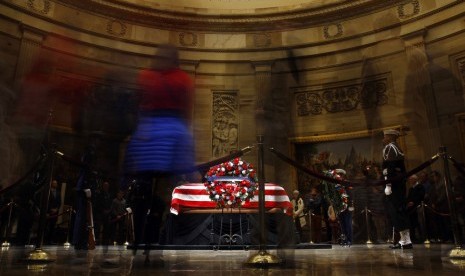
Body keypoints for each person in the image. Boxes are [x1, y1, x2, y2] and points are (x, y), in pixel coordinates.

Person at [123, 44, 195, 254]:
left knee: (142, 193)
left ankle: (138, 240)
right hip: (171, 136)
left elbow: (138, 105)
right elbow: (186, 113)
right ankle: (151, 241)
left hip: (148, 135)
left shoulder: (146, 75)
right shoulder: (182, 79)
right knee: (158, 196)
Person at [382, 129, 412, 249]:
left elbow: (391, 168)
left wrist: (388, 185)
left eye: (385, 136)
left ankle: (406, 241)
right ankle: (404, 240)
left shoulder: (391, 148)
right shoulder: (395, 147)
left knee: (397, 212)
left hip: (394, 186)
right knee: (397, 212)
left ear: (389, 137)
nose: (383, 139)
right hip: (396, 185)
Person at [406, 174, 425, 243]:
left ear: (415, 179)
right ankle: (413, 237)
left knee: (419, 223)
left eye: (411, 179)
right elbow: (409, 197)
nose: (410, 181)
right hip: (411, 209)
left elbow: (420, 196)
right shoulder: (411, 188)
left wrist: (413, 202)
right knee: (412, 223)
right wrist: (408, 203)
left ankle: (421, 237)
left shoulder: (420, 187)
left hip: (418, 207)